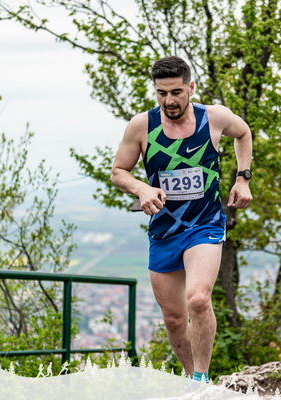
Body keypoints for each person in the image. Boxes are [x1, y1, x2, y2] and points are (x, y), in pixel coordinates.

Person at [110, 56, 253, 382]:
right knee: (174, 319)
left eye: (176, 92)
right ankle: (190, 378)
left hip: (205, 224)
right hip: (164, 230)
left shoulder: (213, 118)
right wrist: (141, 188)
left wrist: (242, 178)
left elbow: (243, 132)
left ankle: (201, 379)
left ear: (191, 87)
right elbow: (118, 171)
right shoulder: (142, 126)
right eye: (161, 93)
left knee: (198, 300)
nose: (169, 101)